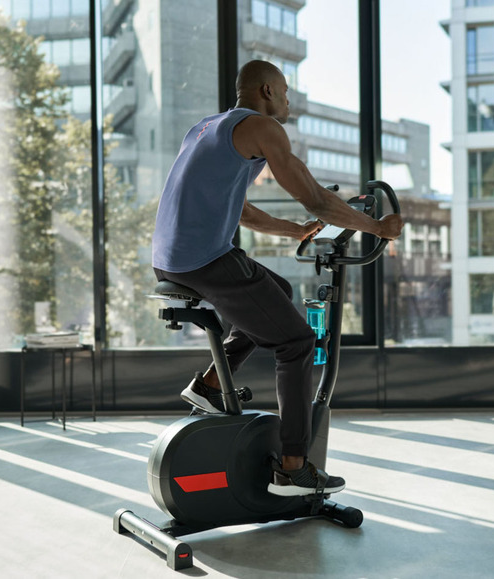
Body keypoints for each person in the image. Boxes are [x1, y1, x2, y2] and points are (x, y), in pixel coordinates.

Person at [151, 60, 403, 497]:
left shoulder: (205, 128)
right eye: (285, 92)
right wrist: (379, 228)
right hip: (205, 259)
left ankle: (211, 384)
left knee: (279, 291)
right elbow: (317, 199)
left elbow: (241, 210)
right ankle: (292, 467)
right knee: (298, 342)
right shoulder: (264, 128)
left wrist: (293, 231)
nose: (288, 101)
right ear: (267, 90)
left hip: (171, 259)